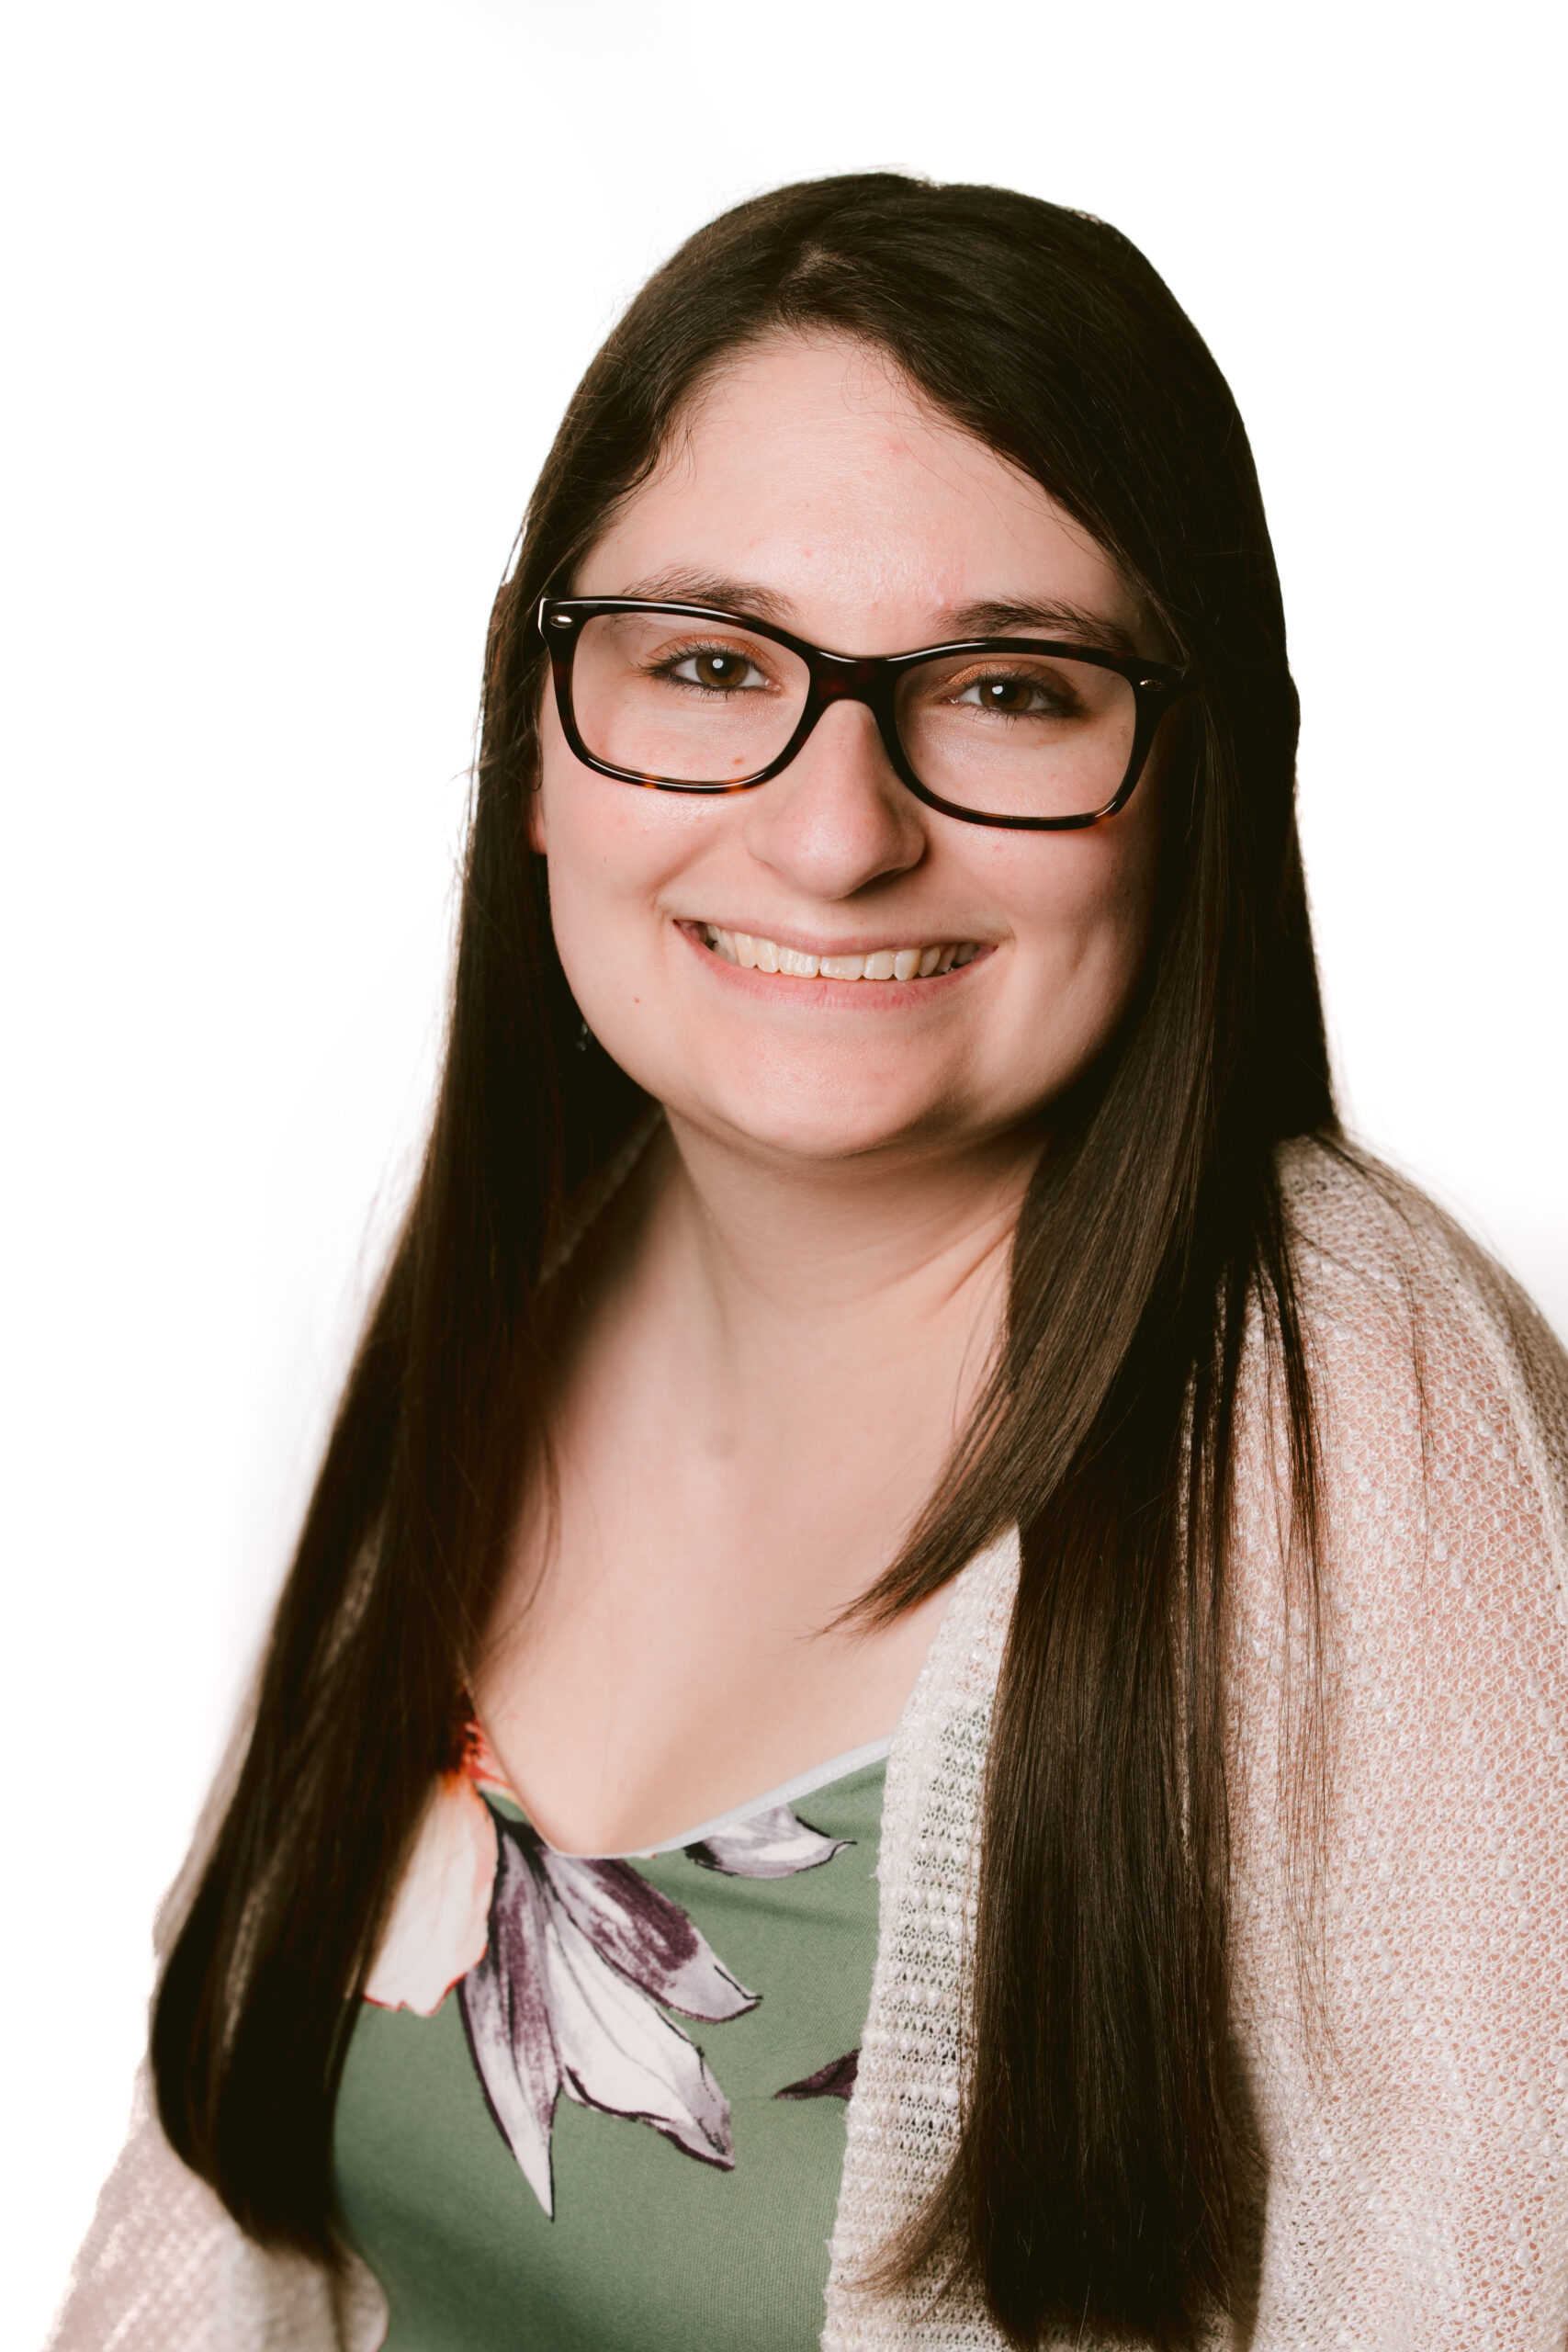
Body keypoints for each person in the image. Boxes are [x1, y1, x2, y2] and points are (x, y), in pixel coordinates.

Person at [49, 174, 1568, 2352]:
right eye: (703, 662)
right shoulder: (533, 1272)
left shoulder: (1359, 1419)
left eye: (1006, 691)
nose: (837, 826)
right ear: (536, 737)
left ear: (1192, 780)